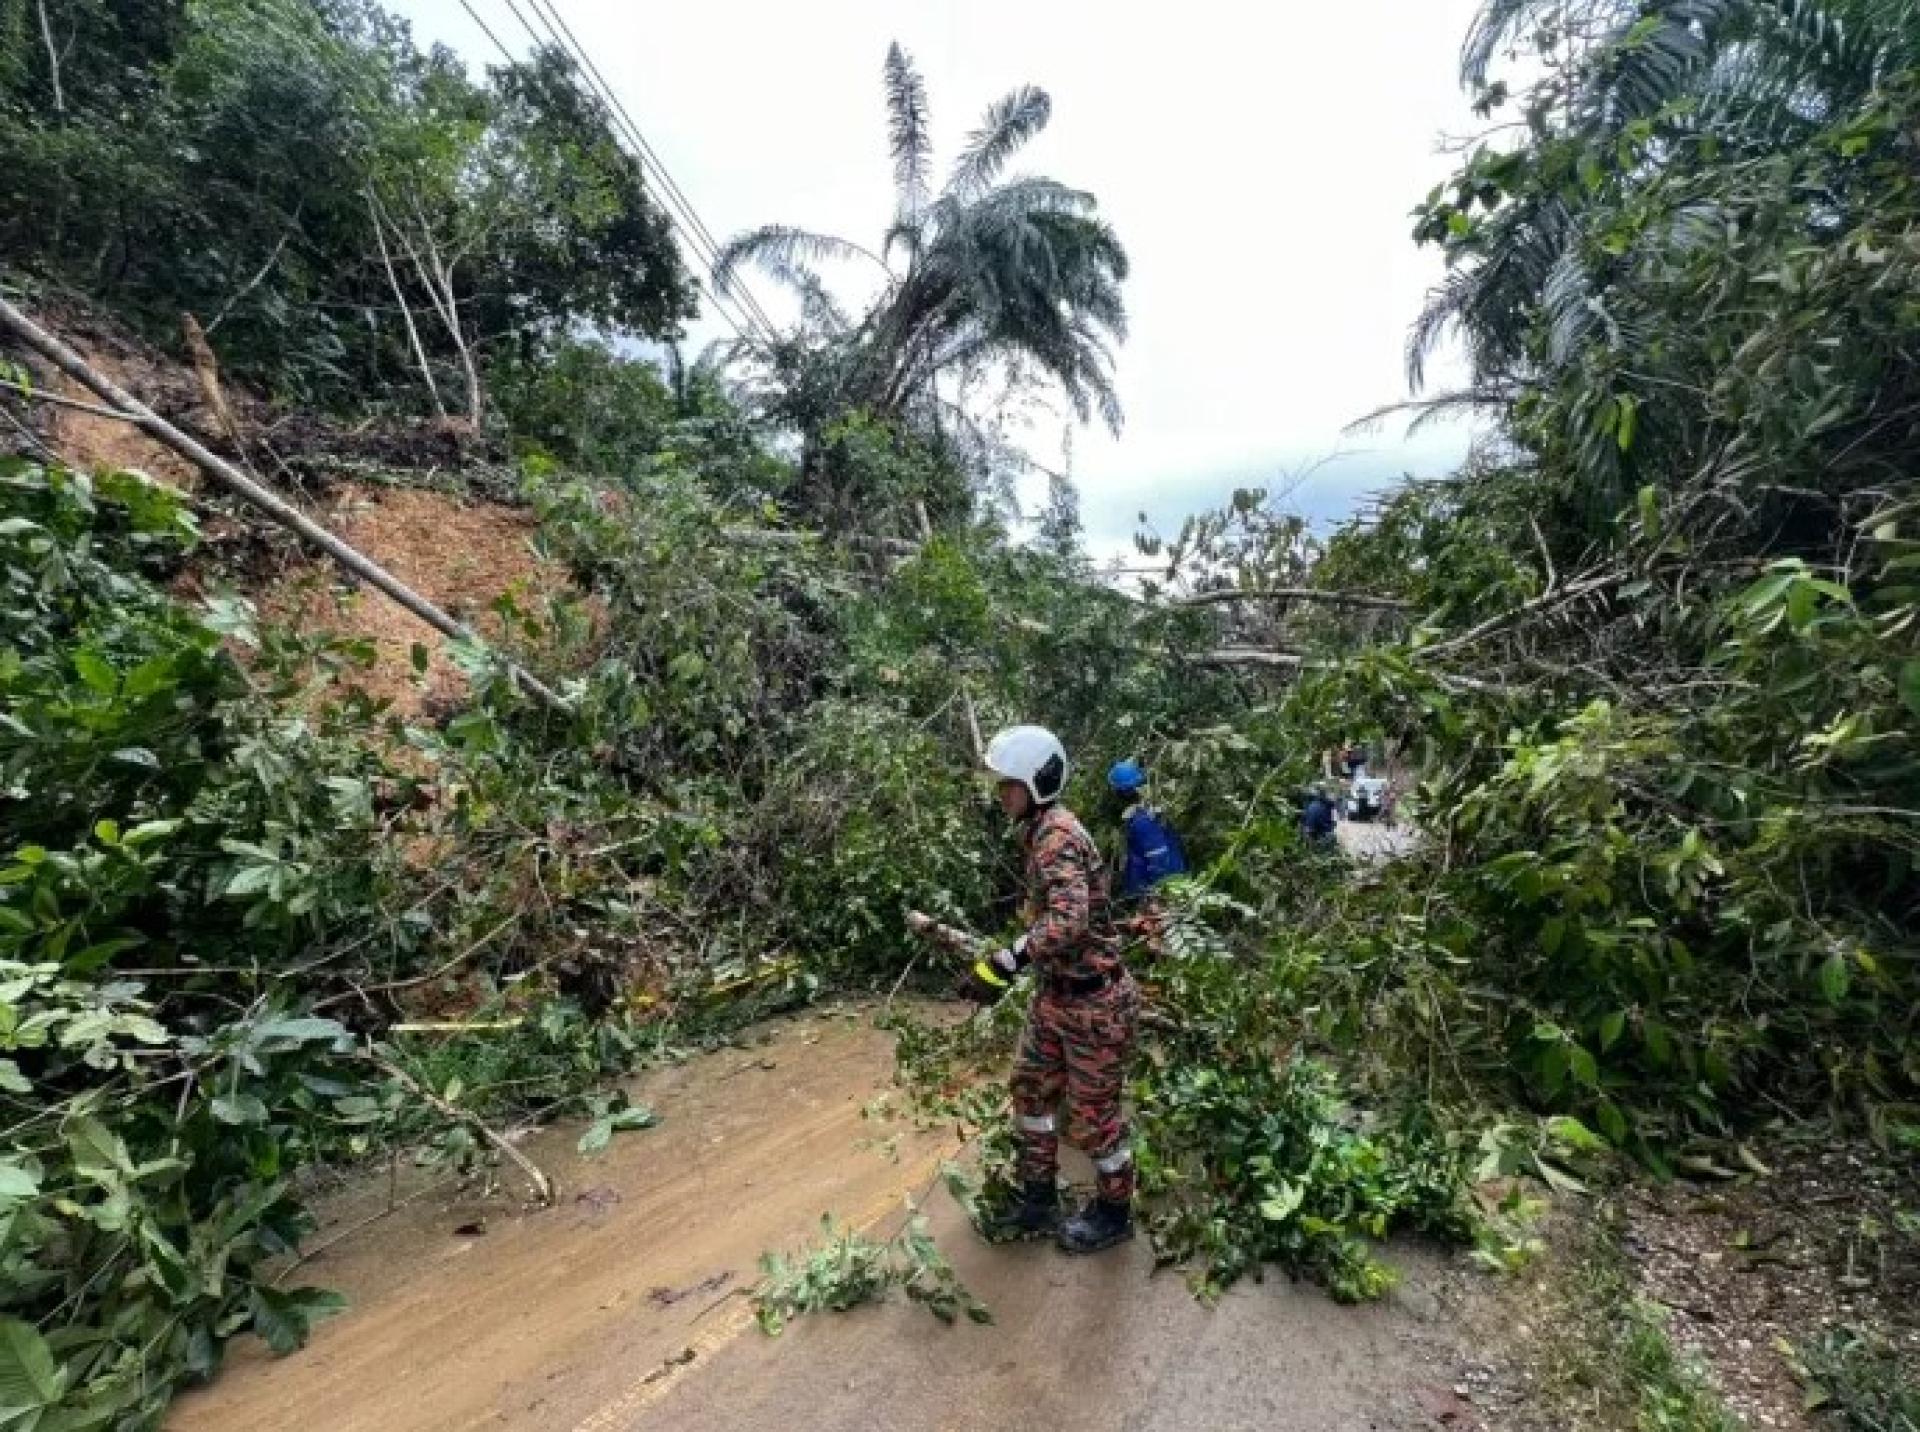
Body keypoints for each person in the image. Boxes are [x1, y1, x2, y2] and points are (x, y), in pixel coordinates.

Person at [974, 724, 1140, 1255]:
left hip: (1094, 1002)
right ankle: (1039, 1195)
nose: (1002, 794)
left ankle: (1115, 1212)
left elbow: (1070, 920)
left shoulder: (1057, 836)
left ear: (1037, 782)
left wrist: (1009, 959)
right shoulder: (1037, 831)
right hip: (1057, 996)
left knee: (1093, 1119)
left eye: (1009, 784)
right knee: (1030, 1091)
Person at [1106, 759, 1188, 899]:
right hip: (1163, 888)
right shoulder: (1148, 813)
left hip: (1165, 892)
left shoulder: (1143, 821)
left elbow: (1160, 861)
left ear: (1121, 793)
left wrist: (1154, 898)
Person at [1300, 783, 1339, 849]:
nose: (1334, 796)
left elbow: (1333, 824)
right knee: (1332, 837)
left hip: (1319, 835)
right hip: (1317, 838)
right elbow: (1308, 830)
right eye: (1331, 792)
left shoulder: (1327, 806)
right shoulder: (1316, 807)